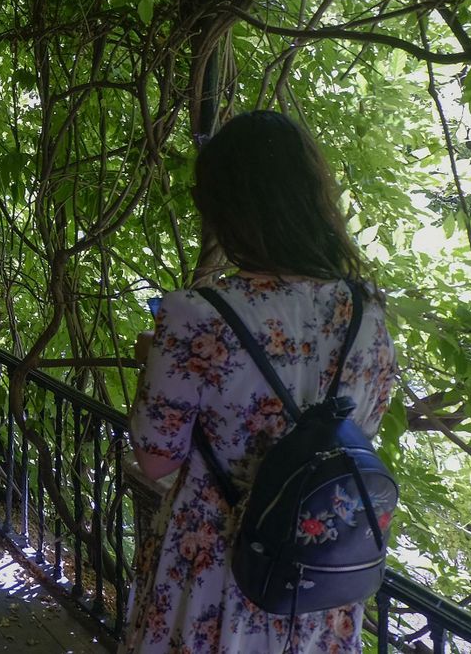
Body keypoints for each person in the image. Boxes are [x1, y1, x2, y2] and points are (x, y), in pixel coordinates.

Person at [122, 111, 396, 653]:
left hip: (218, 576)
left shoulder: (196, 316)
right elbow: (360, 428)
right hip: (316, 582)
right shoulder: (366, 312)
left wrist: (156, 365)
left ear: (227, 211)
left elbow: (157, 459)